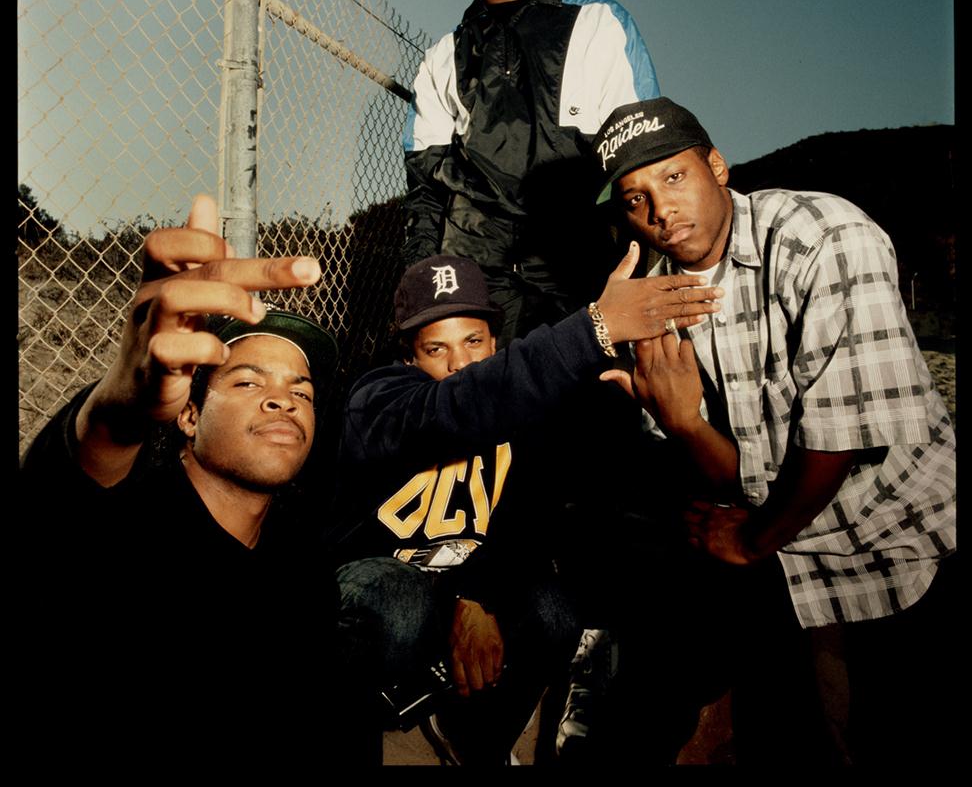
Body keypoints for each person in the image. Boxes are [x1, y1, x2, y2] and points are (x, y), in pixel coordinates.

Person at [587, 96, 958, 766]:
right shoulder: (657, 298)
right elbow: (746, 472)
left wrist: (755, 538)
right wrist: (682, 423)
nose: (660, 210)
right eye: (635, 198)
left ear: (717, 166)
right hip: (799, 551)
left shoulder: (825, 236)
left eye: (673, 177)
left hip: (904, 536)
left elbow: (837, 443)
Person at [326, 247, 725, 766]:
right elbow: (454, 409)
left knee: (552, 607)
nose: (460, 364)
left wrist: (474, 596)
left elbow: (527, 519)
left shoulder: (521, 410)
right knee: (397, 595)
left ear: (496, 340)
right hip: (376, 588)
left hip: (459, 585)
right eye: (435, 349)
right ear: (408, 356)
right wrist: (593, 328)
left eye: (473, 342)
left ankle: (473, 739)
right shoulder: (377, 396)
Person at [13, 194, 353, 769]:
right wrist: (115, 412)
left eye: (303, 391)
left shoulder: (303, 562)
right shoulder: (123, 533)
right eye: (247, 382)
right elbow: (57, 517)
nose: (284, 398)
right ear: (190, 416)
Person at [403, 0, 661, 345]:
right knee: (484, 410)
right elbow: (425, 191)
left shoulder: (600, 22)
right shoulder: (441, 58)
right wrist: (424, 288)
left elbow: (643, 156)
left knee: (589, 406)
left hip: (577, 267)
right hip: (478, 275)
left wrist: (636, 260)